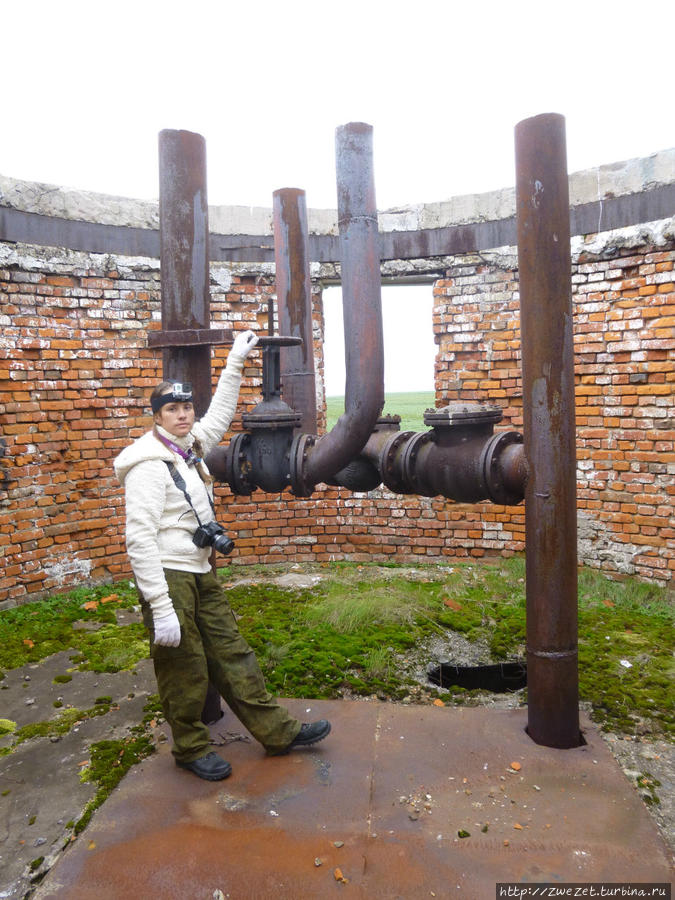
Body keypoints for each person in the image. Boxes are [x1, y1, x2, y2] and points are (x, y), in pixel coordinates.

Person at [114, 330, 331, 781]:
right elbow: (138, 541)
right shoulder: (148, 465)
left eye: (186, 408)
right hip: (169, 576)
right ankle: (191, 748)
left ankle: (277, 732)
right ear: (157, 417)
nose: (183, 415)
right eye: (172, 409)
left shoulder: (189, 445)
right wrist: (160, 607)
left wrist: (235, 362)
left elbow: (220, 416)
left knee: (233, 652)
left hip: (199, 569)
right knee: (184, 665)